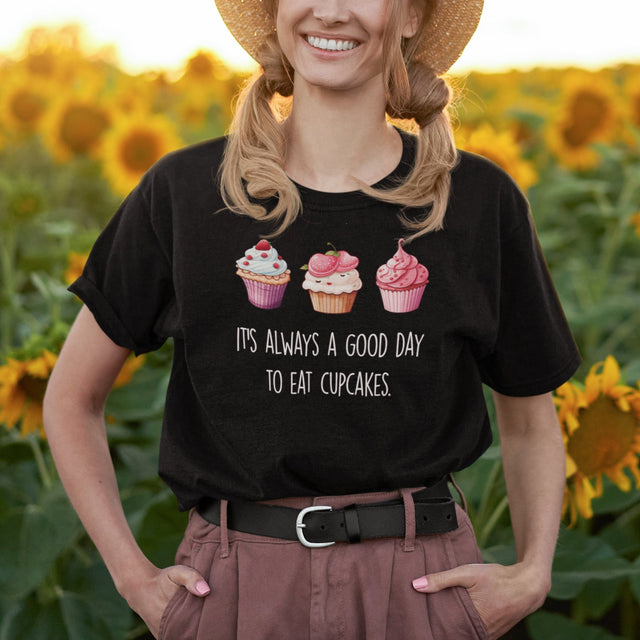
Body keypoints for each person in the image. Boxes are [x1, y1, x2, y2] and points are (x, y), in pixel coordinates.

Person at [43, 0, 582, 638]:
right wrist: (135, 580)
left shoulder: (477, 202)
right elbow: (71, 400)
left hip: (422, 589)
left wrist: (532, 572)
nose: (330, 12)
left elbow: (529, 421)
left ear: (409, 15)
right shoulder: (184, 194)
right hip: (237, 588)